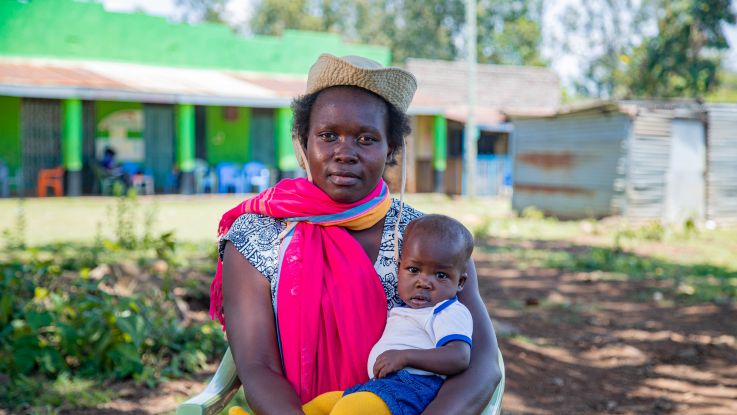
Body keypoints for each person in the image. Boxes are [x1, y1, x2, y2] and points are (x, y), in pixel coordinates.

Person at [211, 53, 501, 415]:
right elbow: (258, 367)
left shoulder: (429, 239)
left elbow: (481, 362)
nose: (344, 153)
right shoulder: (256, 234)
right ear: (302, 141)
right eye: (328, 135)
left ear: (391, 148)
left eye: (366, 139)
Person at [302, 214, 475, 415]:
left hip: (413, 386)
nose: (424, 282)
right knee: (318, 406)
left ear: (460, 282)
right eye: (413, 269)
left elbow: (459, 356)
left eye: (441, 275)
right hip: (381, 385)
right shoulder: (406, 309)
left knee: (351, 409)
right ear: (399, 268)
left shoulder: (447, 311)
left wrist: (406, 357)